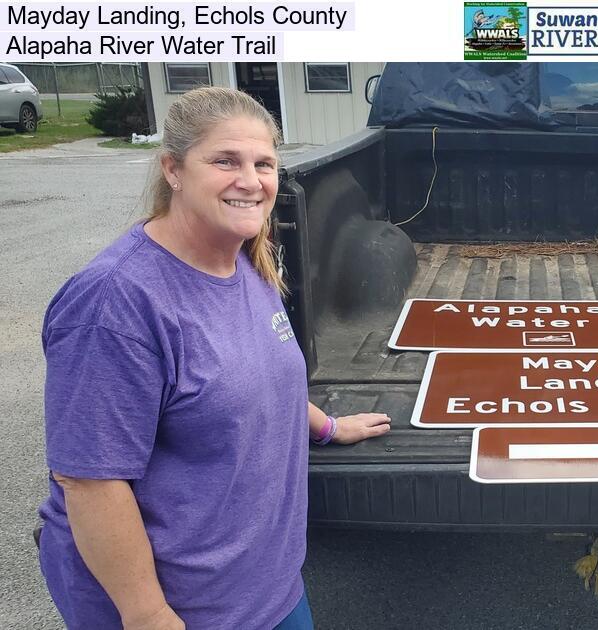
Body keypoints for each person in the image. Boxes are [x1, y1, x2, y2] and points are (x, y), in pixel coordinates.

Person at [37, 87, 392, 630]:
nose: (250, 181)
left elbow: (264, 378)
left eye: (264, 163)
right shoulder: (115, 303)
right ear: (173, 170)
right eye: (225, 160)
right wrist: (149, 614)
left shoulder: (245, 261)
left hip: (267, 586)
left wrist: (327, 427)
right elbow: (89, 482)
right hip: (181, 607)